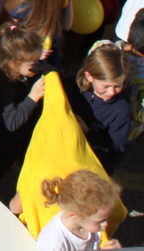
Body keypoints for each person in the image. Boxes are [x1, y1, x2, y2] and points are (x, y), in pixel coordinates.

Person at [0, 25, 50, 189]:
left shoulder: (21, 74)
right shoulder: (0, 84)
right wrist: (32, 98)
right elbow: (11, 122)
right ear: (13, 62)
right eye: (33, 62)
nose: (37, 64)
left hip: (10, 146)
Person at [67, 42, 130, 173]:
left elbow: (115, 150)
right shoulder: (71, 86)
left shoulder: (120, 110)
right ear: (89, 76)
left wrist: (88, 132)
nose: (112, 92)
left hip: (90, 167)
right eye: (106, 86)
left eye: (118, 85)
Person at [37, 170, 122, 250]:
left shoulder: (88, 223)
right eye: (100, 221)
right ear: (74, 215)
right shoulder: (53, 244)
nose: (106, 224)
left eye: (106, 218)